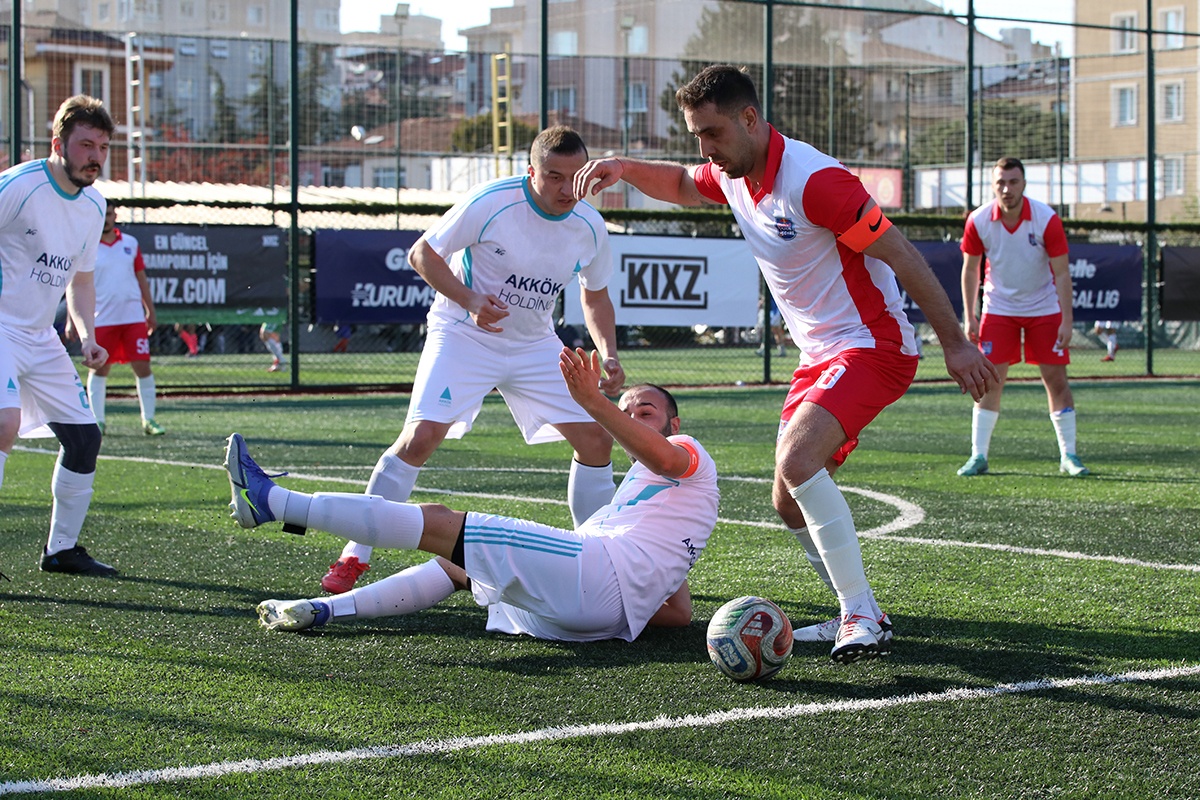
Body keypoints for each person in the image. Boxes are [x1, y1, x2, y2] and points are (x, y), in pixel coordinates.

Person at [574, 65, 998, 662]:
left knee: (798, 461)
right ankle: (859, 611)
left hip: (872, 344)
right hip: (819, 353)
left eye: (713, 133)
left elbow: (902, 254)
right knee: (786, 497)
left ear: (750, 118)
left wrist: (954, 342)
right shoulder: (732, 171)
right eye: (697, 136)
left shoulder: (816, 181)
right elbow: (681, 182)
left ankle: (860, 615)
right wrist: (622, 166)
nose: (706, 149)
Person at [318, 125, 625, 596]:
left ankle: (601, 559)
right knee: (420, 438)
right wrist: (470, 300)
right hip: (463, 334)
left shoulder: (590, 225)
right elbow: (422, 253)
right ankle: (355, 553)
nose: (567, 189)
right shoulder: (493, 200)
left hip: (533, 344)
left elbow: (595, 295)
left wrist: (609, 353)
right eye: (554, 176)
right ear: (531, 172)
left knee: (596, 440)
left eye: (575, 177)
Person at [229, 347, 716, 643]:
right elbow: (678, 613)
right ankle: (324, 609)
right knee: (456, 566)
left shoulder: (687, 451)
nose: (631, 417)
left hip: (594, 581)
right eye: (625, 410)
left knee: (441, 521)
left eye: (644, 412)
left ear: (674, 423)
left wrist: (593, 401)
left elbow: (665, 459)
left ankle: (273, 503)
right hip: (587, 621)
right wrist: (621, 601)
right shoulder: (655, 505)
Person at [0, 95, 118, 576]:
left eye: (103, 147)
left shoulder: (94, 205)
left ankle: (61, 550)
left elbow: (81, 281)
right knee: (3, 424)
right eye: (86, 145)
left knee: (85, 439)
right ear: (58, 144)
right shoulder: (17, 186)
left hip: (39, 336)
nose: (95, 157)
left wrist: (87, 336)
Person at [957, 157, 1089, 479]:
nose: (1007, 189)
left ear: (1024, 184)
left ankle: (1069, 456)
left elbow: (1062, 273)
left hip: (1043, 309)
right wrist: (970, 315)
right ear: (993, 186)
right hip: (998, 309)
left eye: (1013, 182)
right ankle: (978, 456)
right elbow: (971, 269)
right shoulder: (978, 220)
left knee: (1056, 381)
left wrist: (1066, 320)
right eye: (1000, 183)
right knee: (990, 381)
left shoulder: (1046, 219)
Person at [82, 198, 165, 436]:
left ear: (115, 216)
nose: (106, 219)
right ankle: (98, 421)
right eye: (102, 215)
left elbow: (141, 278)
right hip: (102, 318)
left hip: (132, 318)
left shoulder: (130, 243)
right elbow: (77, 285)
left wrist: (150, 311)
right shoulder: (86, 245)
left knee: (142, 366)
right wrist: (71, 319)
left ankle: (149, 420)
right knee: (99, 368)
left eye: (109, 214)